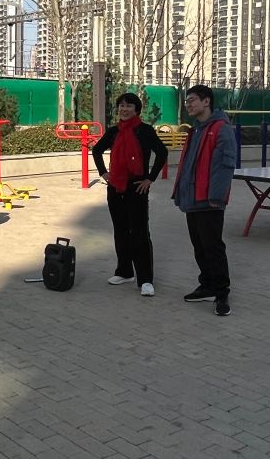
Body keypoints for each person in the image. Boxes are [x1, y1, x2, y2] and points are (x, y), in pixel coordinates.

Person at [91, 93, 168, 297]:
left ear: (136, 110)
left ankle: (145, 279)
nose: (124, 109)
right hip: (116, 187)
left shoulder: (145, 131)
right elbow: (97, 150)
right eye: (121, 106)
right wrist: (103, 173)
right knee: (120, 231)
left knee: (140, 233)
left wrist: (150, 178)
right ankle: (124, 272)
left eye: (128, 106)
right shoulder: (114, 131)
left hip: (137, 187)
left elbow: (162, 153)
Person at [172, 85, 237, 317]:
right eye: (187, 101)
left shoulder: (221, 128)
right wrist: (181, 193)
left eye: (192, 100)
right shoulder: (196, 130)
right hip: (193, 199)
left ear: (206, 101)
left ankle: (221, 293)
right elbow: (188, 165)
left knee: (213, 247)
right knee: (199, 246)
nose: (188, 104)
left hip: (209, 201)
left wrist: (216, 198)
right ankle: (207, 285)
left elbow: (226, 166)